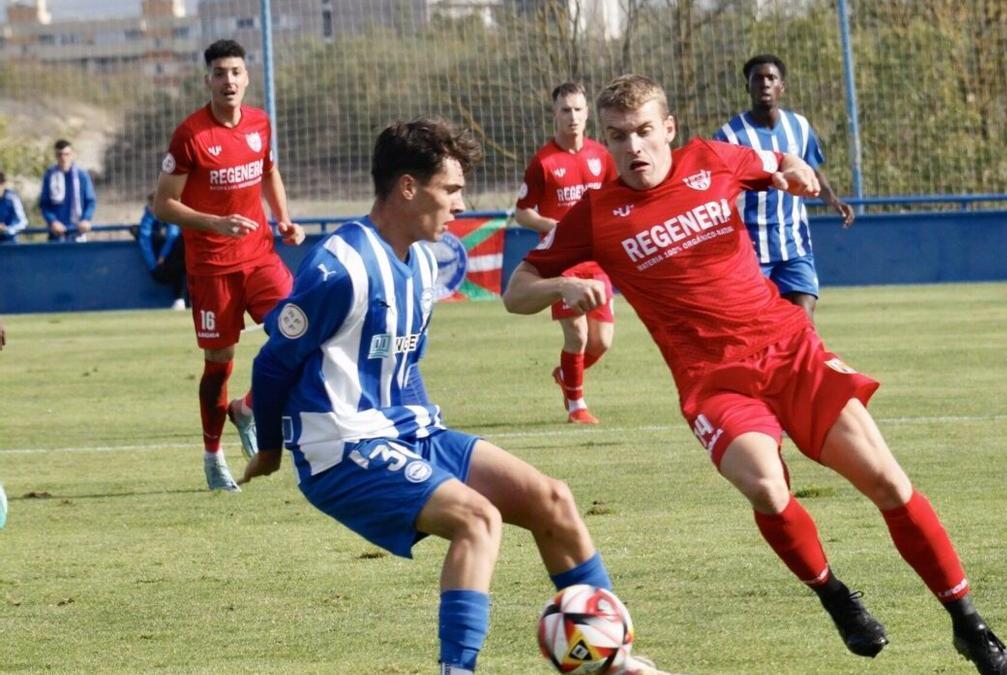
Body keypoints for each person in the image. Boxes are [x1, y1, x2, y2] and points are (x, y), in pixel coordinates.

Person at [504, 75, 1007, 675]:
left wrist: (796, 171)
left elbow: (778, 161)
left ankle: (968, 623)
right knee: (768, 488)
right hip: (712, 381)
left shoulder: (712, 159)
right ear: (607, 141)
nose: (634, 147)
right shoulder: (596, 215)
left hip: (788, 349)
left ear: (668, 129)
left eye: (645, 131)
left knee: (888, 482)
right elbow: (516, 292)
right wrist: (563, 284)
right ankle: (835, 596)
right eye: (619, 137)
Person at [241, 118, 669, 675]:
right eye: (451, 190)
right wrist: (272, 448)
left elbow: (403, 363)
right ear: (408, 188)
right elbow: (273, 363)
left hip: (411, 433)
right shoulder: (338, 267)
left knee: (554, 500)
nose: (461, 205)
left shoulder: (422, 261)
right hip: (342, 448)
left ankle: (612, 656)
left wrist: (429, 433)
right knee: (478, 519)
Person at [153, 39, 305, 492]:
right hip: (212, 267)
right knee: (219, 364)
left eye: (236, 72)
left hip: (260, 256)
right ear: (208, 81)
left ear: (246, 77)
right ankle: (213, 456)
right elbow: (164, 205)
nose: (229, 81)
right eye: (220, 73)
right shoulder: (191, 136)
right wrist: (214, 223)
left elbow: (268, 171)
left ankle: (249, 408)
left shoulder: (260, 124)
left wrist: (283, 218)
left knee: (301, 331)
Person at [714, 54, 855, 318]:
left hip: (795, 244)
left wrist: (833, 200)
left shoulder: (799, 126)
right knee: (757, 324)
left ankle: (803, 359)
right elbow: (718, 190)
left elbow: (811, 168)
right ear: (748, 87)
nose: (764, 84)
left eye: (771, 78)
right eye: (757, 79)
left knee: (803, 321)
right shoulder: (729, 136)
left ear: (782, 86)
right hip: (750, 249)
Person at [514, 82, 618, 425]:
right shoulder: (544, 162)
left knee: (601, 341)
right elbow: (522, 212)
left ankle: (566, 375)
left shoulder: (601, 156)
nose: (572, 116)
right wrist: (553, 227)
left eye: (577, 109)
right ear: (555, 114)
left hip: (595, 258)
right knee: (577, 334)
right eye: (565, 110)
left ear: (587, 113)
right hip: (562, 263)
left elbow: (616, 200)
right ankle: (577, 406)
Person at [135, 193, 187, 310]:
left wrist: (163, 256)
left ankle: (181, 299)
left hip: (173, 258)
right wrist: (154, 266)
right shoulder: (148, 216)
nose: (150, 208)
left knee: (181, 248)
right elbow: (145, 240)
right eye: (150, 205)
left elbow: (172, 235)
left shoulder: (170, 214)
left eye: (153, 205)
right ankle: (180, 300)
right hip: (162, 267)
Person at [38, 139, 96, 243]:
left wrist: (86, 219)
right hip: (56, 234)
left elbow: (90, 201)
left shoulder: (81, 176)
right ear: (56, 156)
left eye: (66, 154)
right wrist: (53, 221)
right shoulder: (50, 176)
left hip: (78, 231)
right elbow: (44, 204)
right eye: (60, 155)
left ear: (72, 155)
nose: (63, 158)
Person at [0, 171, 29, 244]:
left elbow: (23, 222)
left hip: (10, 243)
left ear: (3, 183)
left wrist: (7, 229)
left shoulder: (12, 198)